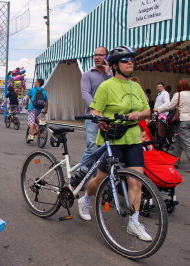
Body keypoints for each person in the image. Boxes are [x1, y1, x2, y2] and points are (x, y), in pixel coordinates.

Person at [77, 46, 152, 241]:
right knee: (101, 178)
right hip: (113, 138)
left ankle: (133, 222)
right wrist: (99, 119)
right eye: (125, 60)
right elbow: (94, 110)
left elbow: (148, 110)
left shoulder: (136, 86)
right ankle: (85, 200)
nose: (130, 62)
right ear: (115, 66)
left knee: (136, 181)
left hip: (133, 138)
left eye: (131, 60)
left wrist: (137, 114)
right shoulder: (106, 86)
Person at [78, 46, 112, 172]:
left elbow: (111, 90)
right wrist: (96, 110)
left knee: (106, 149)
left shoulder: (112, 75)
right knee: (93, 148)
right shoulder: (88, 74)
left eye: (101, 55)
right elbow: (85, 94)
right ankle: (80, 174)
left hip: (108, 118)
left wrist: (108, 74)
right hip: (92, 117)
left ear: (107, 57)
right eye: (95, 55)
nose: (97, 57)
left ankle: (96, 178)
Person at [155, 80, 190, 172]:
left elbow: (170, 106)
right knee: (178, 142)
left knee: (187, 143)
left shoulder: (178, 95)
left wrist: (159, 109)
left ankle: (175, 162)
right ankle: (175, 161)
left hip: (182, 121)